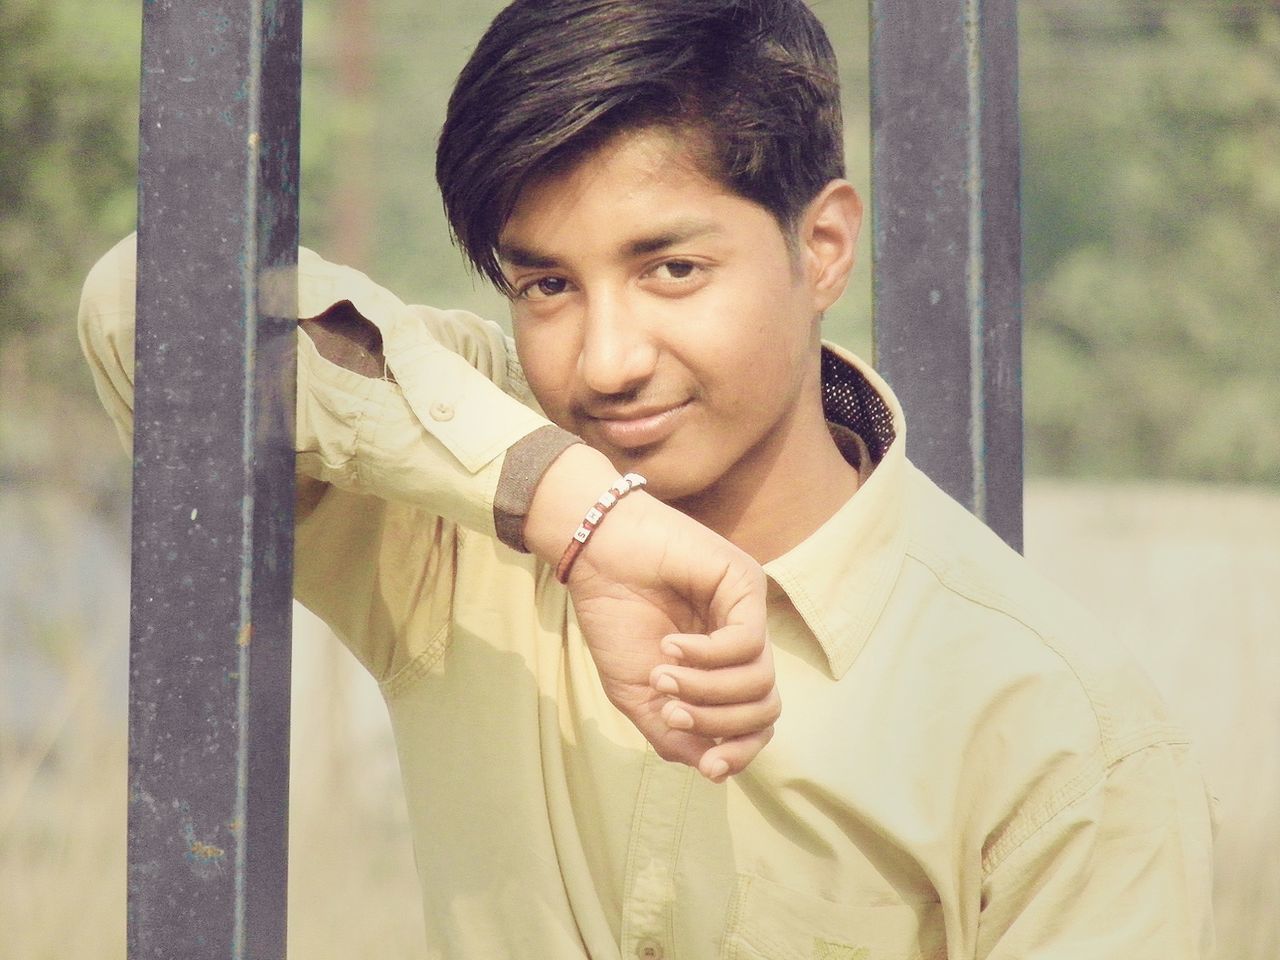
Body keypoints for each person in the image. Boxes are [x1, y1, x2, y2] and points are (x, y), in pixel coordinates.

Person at [79, 0, 1215, 956]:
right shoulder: (471, 514)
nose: (607, 362)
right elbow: (157, 300)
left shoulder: (1059, 735)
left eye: (671, 268)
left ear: (820, 248)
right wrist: (581, 519)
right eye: (544, 288)